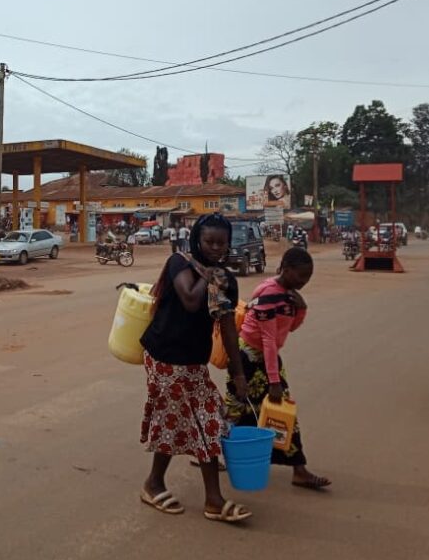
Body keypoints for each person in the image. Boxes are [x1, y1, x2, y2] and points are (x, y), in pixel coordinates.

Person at [139, 214, 253, 523]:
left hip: (192, 361)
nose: (215, 248)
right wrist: (211, 273)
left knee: (183, 420)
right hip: (164, 355)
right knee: (204, 422)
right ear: (196, 241)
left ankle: (155, 484)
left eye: (221, 243)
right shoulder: (180, 263)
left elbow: (228, 326)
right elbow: (190, 299)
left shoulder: (227, 280)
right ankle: (212, 499)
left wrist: (238, 372)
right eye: (209, 242)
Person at [224, 247, 330, 490]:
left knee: (281, 412)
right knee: (235, 409)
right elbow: (269, 341)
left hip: (267, 358)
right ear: (287, 269)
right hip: (247, 358)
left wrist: (301, 309)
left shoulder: (288, 294)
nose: (304, 282)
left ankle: (299, 469)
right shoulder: (271, 294)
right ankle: (209, 453)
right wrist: (274, 382)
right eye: (301, 276)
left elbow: (289, 328)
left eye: (308, 278)